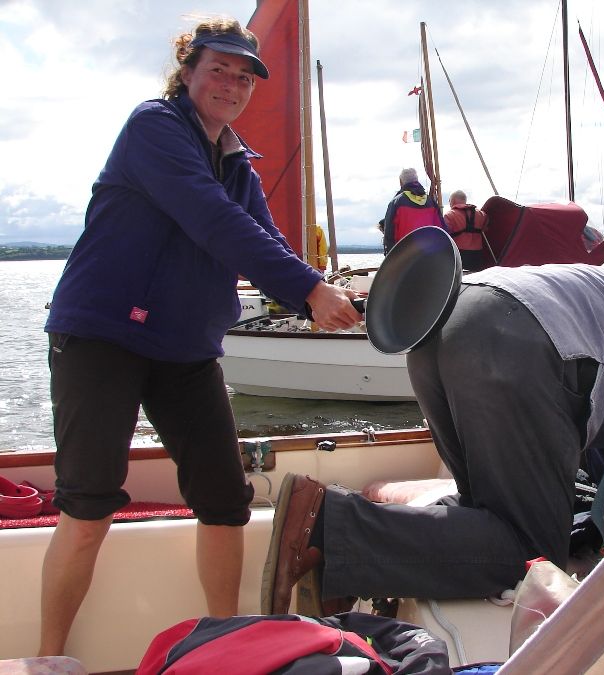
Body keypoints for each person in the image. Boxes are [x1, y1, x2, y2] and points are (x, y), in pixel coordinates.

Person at [39, 17, 362, 656]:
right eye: (219, 70)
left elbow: (263, 239)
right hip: (103, 334)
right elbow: (211, 218)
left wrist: (324, 293)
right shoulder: (154, 127)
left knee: (224, 500)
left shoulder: (239, 164)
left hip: (184, 346)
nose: (231, 85)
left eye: (244, 77)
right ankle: (49, 657)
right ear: (187, 72)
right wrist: (308, 290)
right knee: (89, 505)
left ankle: (227, 648)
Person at [260, 263, 604, 616]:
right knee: (533, 554)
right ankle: (330, 530)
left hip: (442, 322)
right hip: (510, 341)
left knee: (484, 510)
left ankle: (342, 555)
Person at [382, 168, 446, 253]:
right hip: (430, 255)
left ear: (401, 182)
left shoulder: (396, 203)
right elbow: (441, 230)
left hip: (404, 255)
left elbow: (389, 234)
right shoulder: (431, 202)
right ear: (417, 181)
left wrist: (389, 254)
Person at [443, 189, 489, 271]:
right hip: (478, 254)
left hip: (459, 254)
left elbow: (444, 236)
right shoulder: (482, 214)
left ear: (453, 200)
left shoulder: (449, 215)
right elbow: (485, 228)